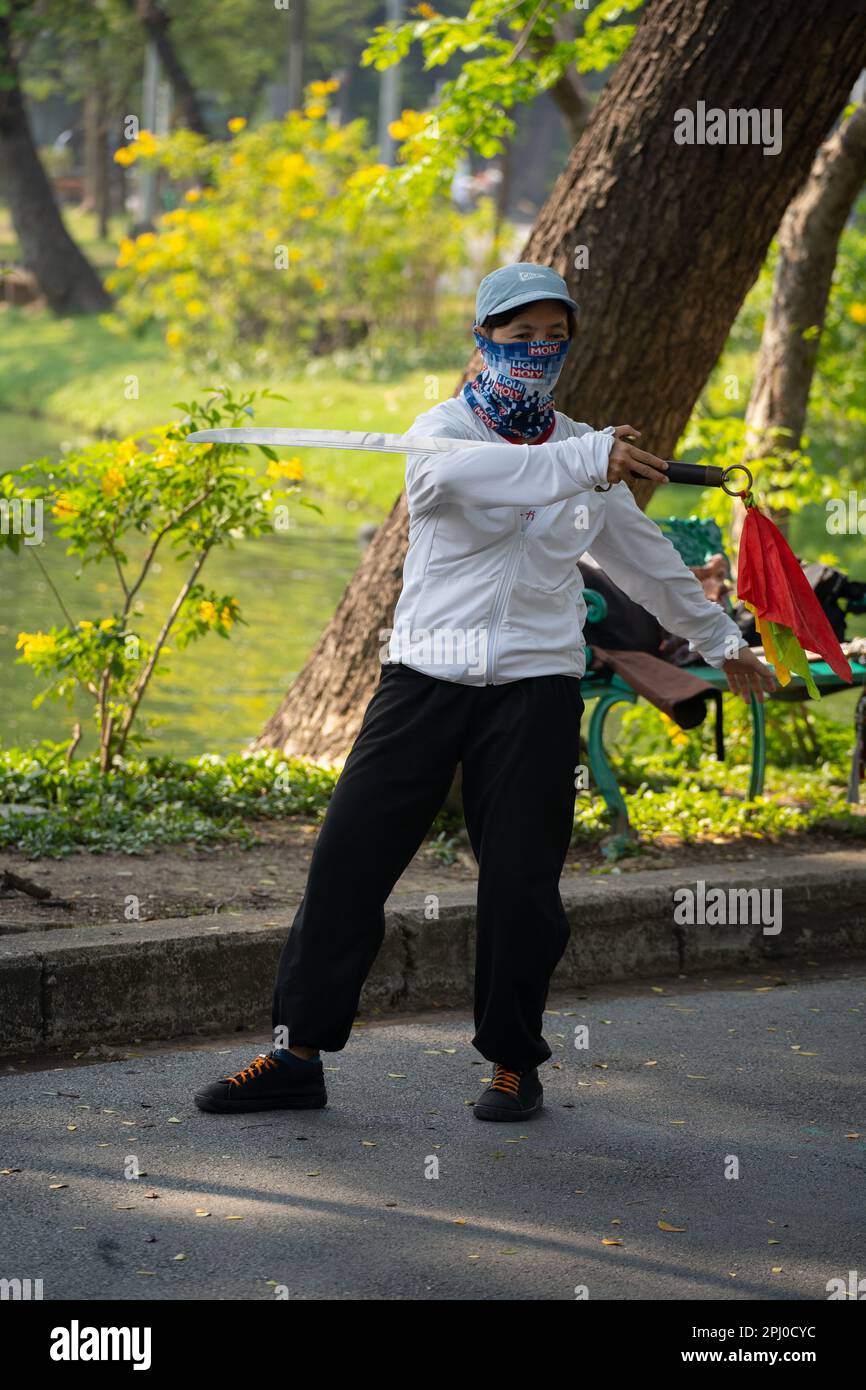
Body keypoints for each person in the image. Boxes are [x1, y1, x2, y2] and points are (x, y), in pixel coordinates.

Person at [194, 262, 775, 1122]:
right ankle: (297, 1055)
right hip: (424, 678)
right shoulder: (441, 436)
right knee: (347, 864)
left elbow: (645, 560)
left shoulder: (588, 456)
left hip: (535, 687)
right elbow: (485, 480)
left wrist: (724, 641)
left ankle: (513, 1063)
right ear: (483, 341)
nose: (538, 352)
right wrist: (586, 459)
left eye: (554, 338)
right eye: (519, 336)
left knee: (521, 886)